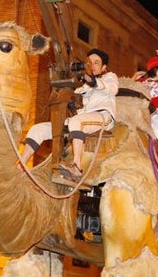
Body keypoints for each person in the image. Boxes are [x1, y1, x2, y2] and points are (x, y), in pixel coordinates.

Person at [20, 48, 119, 181]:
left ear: (104, 67)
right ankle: (20, 166)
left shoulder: (110, 77)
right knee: (38, 129)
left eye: (97, 62)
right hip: (79, 120)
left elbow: (112, 89)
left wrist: (91, 80)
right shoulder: (80, 84)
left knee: (76, 121)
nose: (93, 65)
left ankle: (76, 167)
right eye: (89, 62)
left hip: (102, 117)